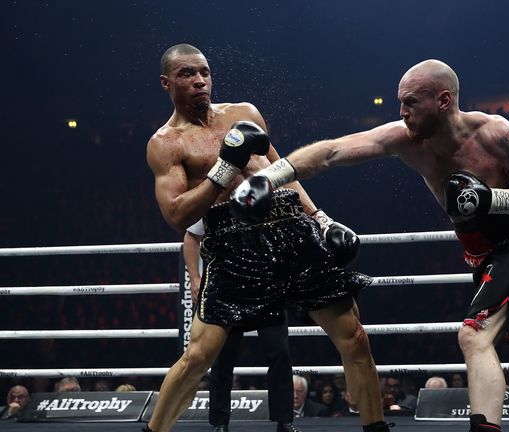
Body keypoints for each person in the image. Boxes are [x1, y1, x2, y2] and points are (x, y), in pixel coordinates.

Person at [231, 59, 509, 432]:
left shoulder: (495, 133)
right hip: (484, 252)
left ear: (443, 100)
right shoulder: (405, 140)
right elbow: (329, 152)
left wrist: (492, 198)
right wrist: (268, 177)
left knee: (474, 333)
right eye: (399, 101)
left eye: (410, 102)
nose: (400, 110)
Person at [143, 44, 388, 432]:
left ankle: (376, 428)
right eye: (187, 74)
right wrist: (225, 168)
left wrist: (321, 219)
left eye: (204, 72)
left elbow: (281, 168)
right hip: (234, 242)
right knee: (199, 356)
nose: (199, 81)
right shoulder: (166, 143)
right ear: (166, 82)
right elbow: (177, 215)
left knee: (354, 337)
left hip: (291, 229)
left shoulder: (244, 113)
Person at [184, 220, 296, 432]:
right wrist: (194, 278)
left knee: (280, 353)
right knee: (222, 358)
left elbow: (288, 235)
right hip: (228, 289)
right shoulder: (214, 199)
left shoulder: (267, 198)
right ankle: (219, 423)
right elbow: (191, 236)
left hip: (267, 288)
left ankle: (285, 421)